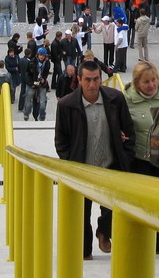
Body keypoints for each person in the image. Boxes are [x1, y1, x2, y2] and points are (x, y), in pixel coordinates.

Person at [54, 59, 134, 258]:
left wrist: (126, 155)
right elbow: (61, 139)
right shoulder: (67, 105)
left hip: (111, 164)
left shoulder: (115, 99)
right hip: (82, 168)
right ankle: (85, 250)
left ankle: (104, 232)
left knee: (112, 208)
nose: (92, 84)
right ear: (79, 79)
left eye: (96, 79)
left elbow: (129, 130)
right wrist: (69, 160)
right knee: (82, 213)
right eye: (88, 80)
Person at [122, 61, 159, 254]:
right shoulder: (126, 100)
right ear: (136, 83)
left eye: (154, 80)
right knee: (143, 203)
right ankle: (141, 242)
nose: (151, 85)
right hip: (139, 158)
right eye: (146, 82)